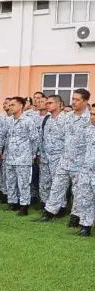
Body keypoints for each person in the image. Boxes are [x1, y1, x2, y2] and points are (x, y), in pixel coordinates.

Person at [40, 89, 91, 227]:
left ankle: (76, 217)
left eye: (77, 99)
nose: (73, 102)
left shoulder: (89, 118)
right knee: (57, 186)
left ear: (85, 101)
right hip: (65, 159)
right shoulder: (67, 117)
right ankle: (50, 212)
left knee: (78, 191)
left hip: (80, 161)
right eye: (73, 99)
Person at [0, 97, 39, 216]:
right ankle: (13, 203)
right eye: (9, 105)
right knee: (10, 181)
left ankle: (24, 206)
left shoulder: (28, 121)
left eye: (13, 105)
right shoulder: (8, 121)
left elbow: (35, 139)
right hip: (9, 157)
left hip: (23, 158)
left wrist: (32, 154)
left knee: (23, 183)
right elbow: (2, 136)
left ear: (21, 106)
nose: (10, 107)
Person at [38, 95, 66, 212]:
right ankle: (46, 204)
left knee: (58, 184)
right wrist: (40, 153)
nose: (47, 105)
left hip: (59, 157)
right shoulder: (46, 119)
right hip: (45, 157)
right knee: (44, 182)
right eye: (47, 103)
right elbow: (42, 137)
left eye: (50, 103)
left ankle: (60, 207)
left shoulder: (66, 119)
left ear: (59, 104)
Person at [72, 105, 95, 236]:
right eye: (91, 114)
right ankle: (85, 226)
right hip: (86, 171)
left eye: (94, 115)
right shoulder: (88, 130)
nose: (92, 117)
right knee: (85, 199)